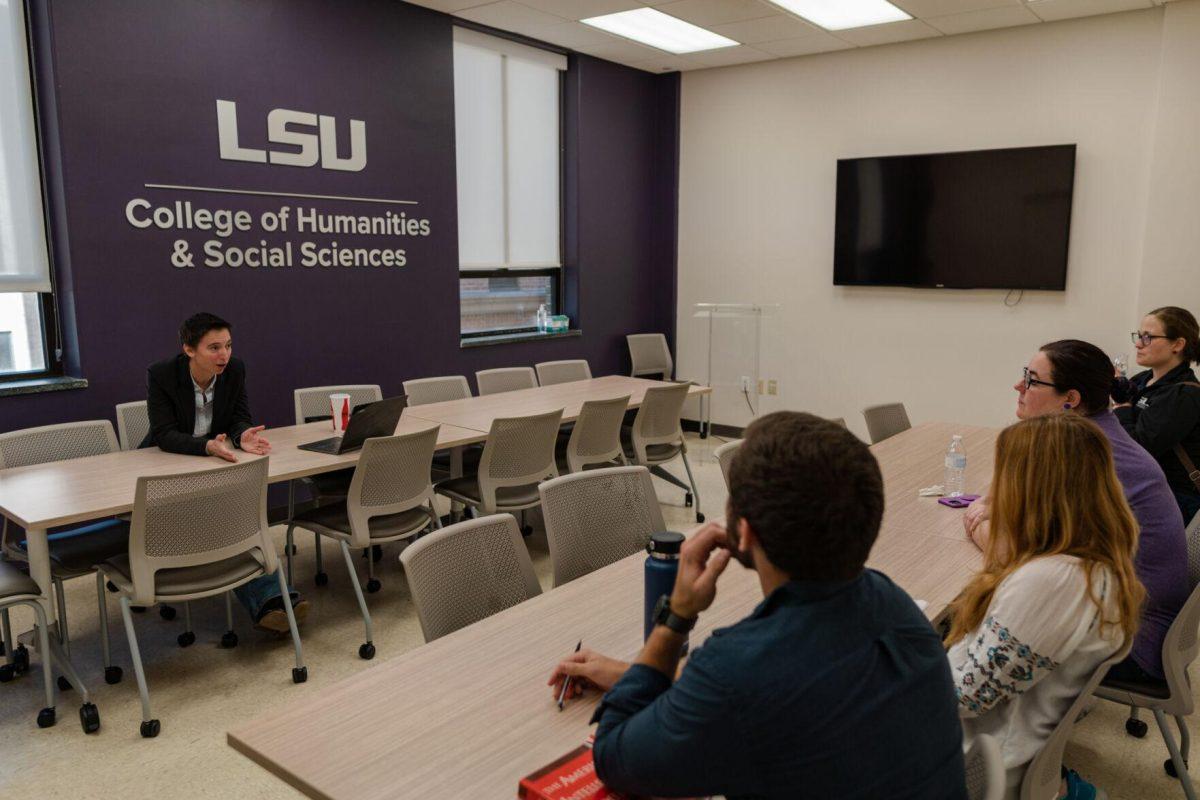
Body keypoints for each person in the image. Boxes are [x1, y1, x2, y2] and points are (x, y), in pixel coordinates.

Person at [547, 412, 967, 799]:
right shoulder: (894, 604)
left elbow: (615, 757)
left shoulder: (738, 670)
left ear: (742, 533)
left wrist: (676, 615)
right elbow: (781, 682)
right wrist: (631, 673)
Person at [965, 340, 1186, 687]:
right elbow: (1003, 496)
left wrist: (978, 521)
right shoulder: (1092, 433)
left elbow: (1011, 556)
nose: (1019, 387)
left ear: (1070, 400)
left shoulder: (1084, 455)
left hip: (1130, 643)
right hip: (1127, 617)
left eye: (1033, 380)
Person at [949, 414, 1145, 800]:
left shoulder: (1051, 582)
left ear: (1030, 489)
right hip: (1010, 740)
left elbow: (968, 698)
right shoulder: (1088, 562)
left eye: (1002, 475)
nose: (994, 488)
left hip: (978, 763)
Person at [146, 312, 307, 632]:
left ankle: (273, 599)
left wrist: (243, 435)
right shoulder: (162, 374)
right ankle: (272, 598)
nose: (224, 355)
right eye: (214, 348)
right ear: (189, 350)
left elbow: (239, 416)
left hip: (217, 460)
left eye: (229, 346)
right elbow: (164, 434)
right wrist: (206, 446)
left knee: (242, 517)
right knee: (226, 519)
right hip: (172, 463)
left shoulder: (235, 369)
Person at [1116, 306, 1200, 524]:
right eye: (1138, 336)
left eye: (1148, 337)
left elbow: (1138, 448)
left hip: (1173, 499)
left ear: (1177, 345)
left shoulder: (1184, 394)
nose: (1138, 344)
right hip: (1139, 491)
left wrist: (1122, 407)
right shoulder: (1142, 379)